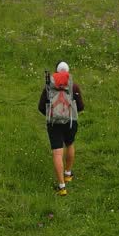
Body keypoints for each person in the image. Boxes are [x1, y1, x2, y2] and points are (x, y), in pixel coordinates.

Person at [38, 61, 85, 196]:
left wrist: (52, 115)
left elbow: (41, 107)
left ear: (56, 72)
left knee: (57, 153)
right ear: (68, 72)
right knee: (70, 144)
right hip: (71, 122)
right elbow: (81, 107)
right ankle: (68, 174)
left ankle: (62, 187)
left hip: (53, 123)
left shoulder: (49, 87)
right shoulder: (73, 86)